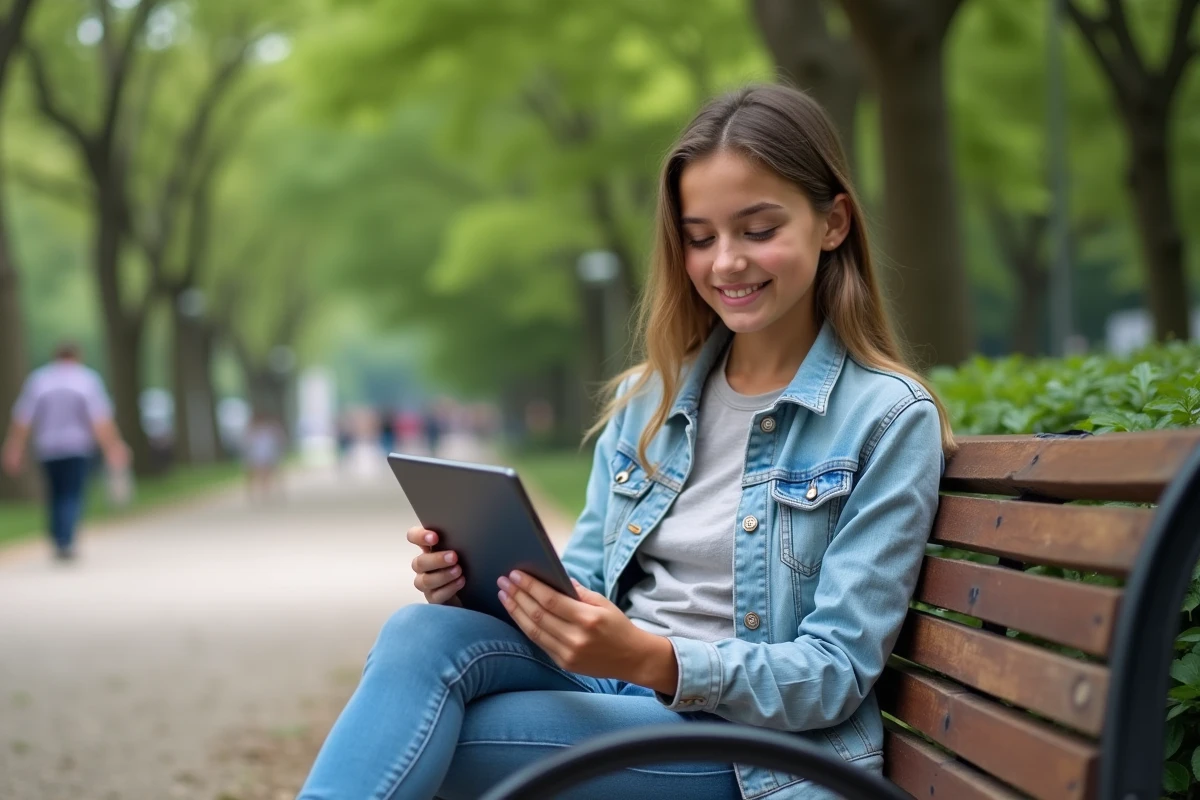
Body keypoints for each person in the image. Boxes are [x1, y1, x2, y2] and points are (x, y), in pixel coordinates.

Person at [298, 84, 955, 800]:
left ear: (833, 223)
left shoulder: (887, 419)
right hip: (620, 686)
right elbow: (578, 578)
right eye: (700, 237)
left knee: (436, 737)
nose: (726, 262)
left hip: (756, 751)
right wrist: (478, 586)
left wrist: (654, 659)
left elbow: (833, 674)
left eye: (758, 230)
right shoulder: (653, 400)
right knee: (420, 636)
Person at [1, 341, 129, 561]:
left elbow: (23, 418)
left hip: (47, 448)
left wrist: (13, 446)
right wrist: (113, 446)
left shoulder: (40, 380)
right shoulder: (86, 380)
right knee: (72, 493)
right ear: (77, 357)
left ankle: (58, 535)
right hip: (77, 447)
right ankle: (66, 538)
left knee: (55, 492)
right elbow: (99, 419)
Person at [242, 411, 286, 501]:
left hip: (265, 455)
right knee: (255, 475)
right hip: (256, 455)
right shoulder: (254, 429)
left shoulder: (270, 428)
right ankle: (257, 494)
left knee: (266, 475)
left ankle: (264, 493)